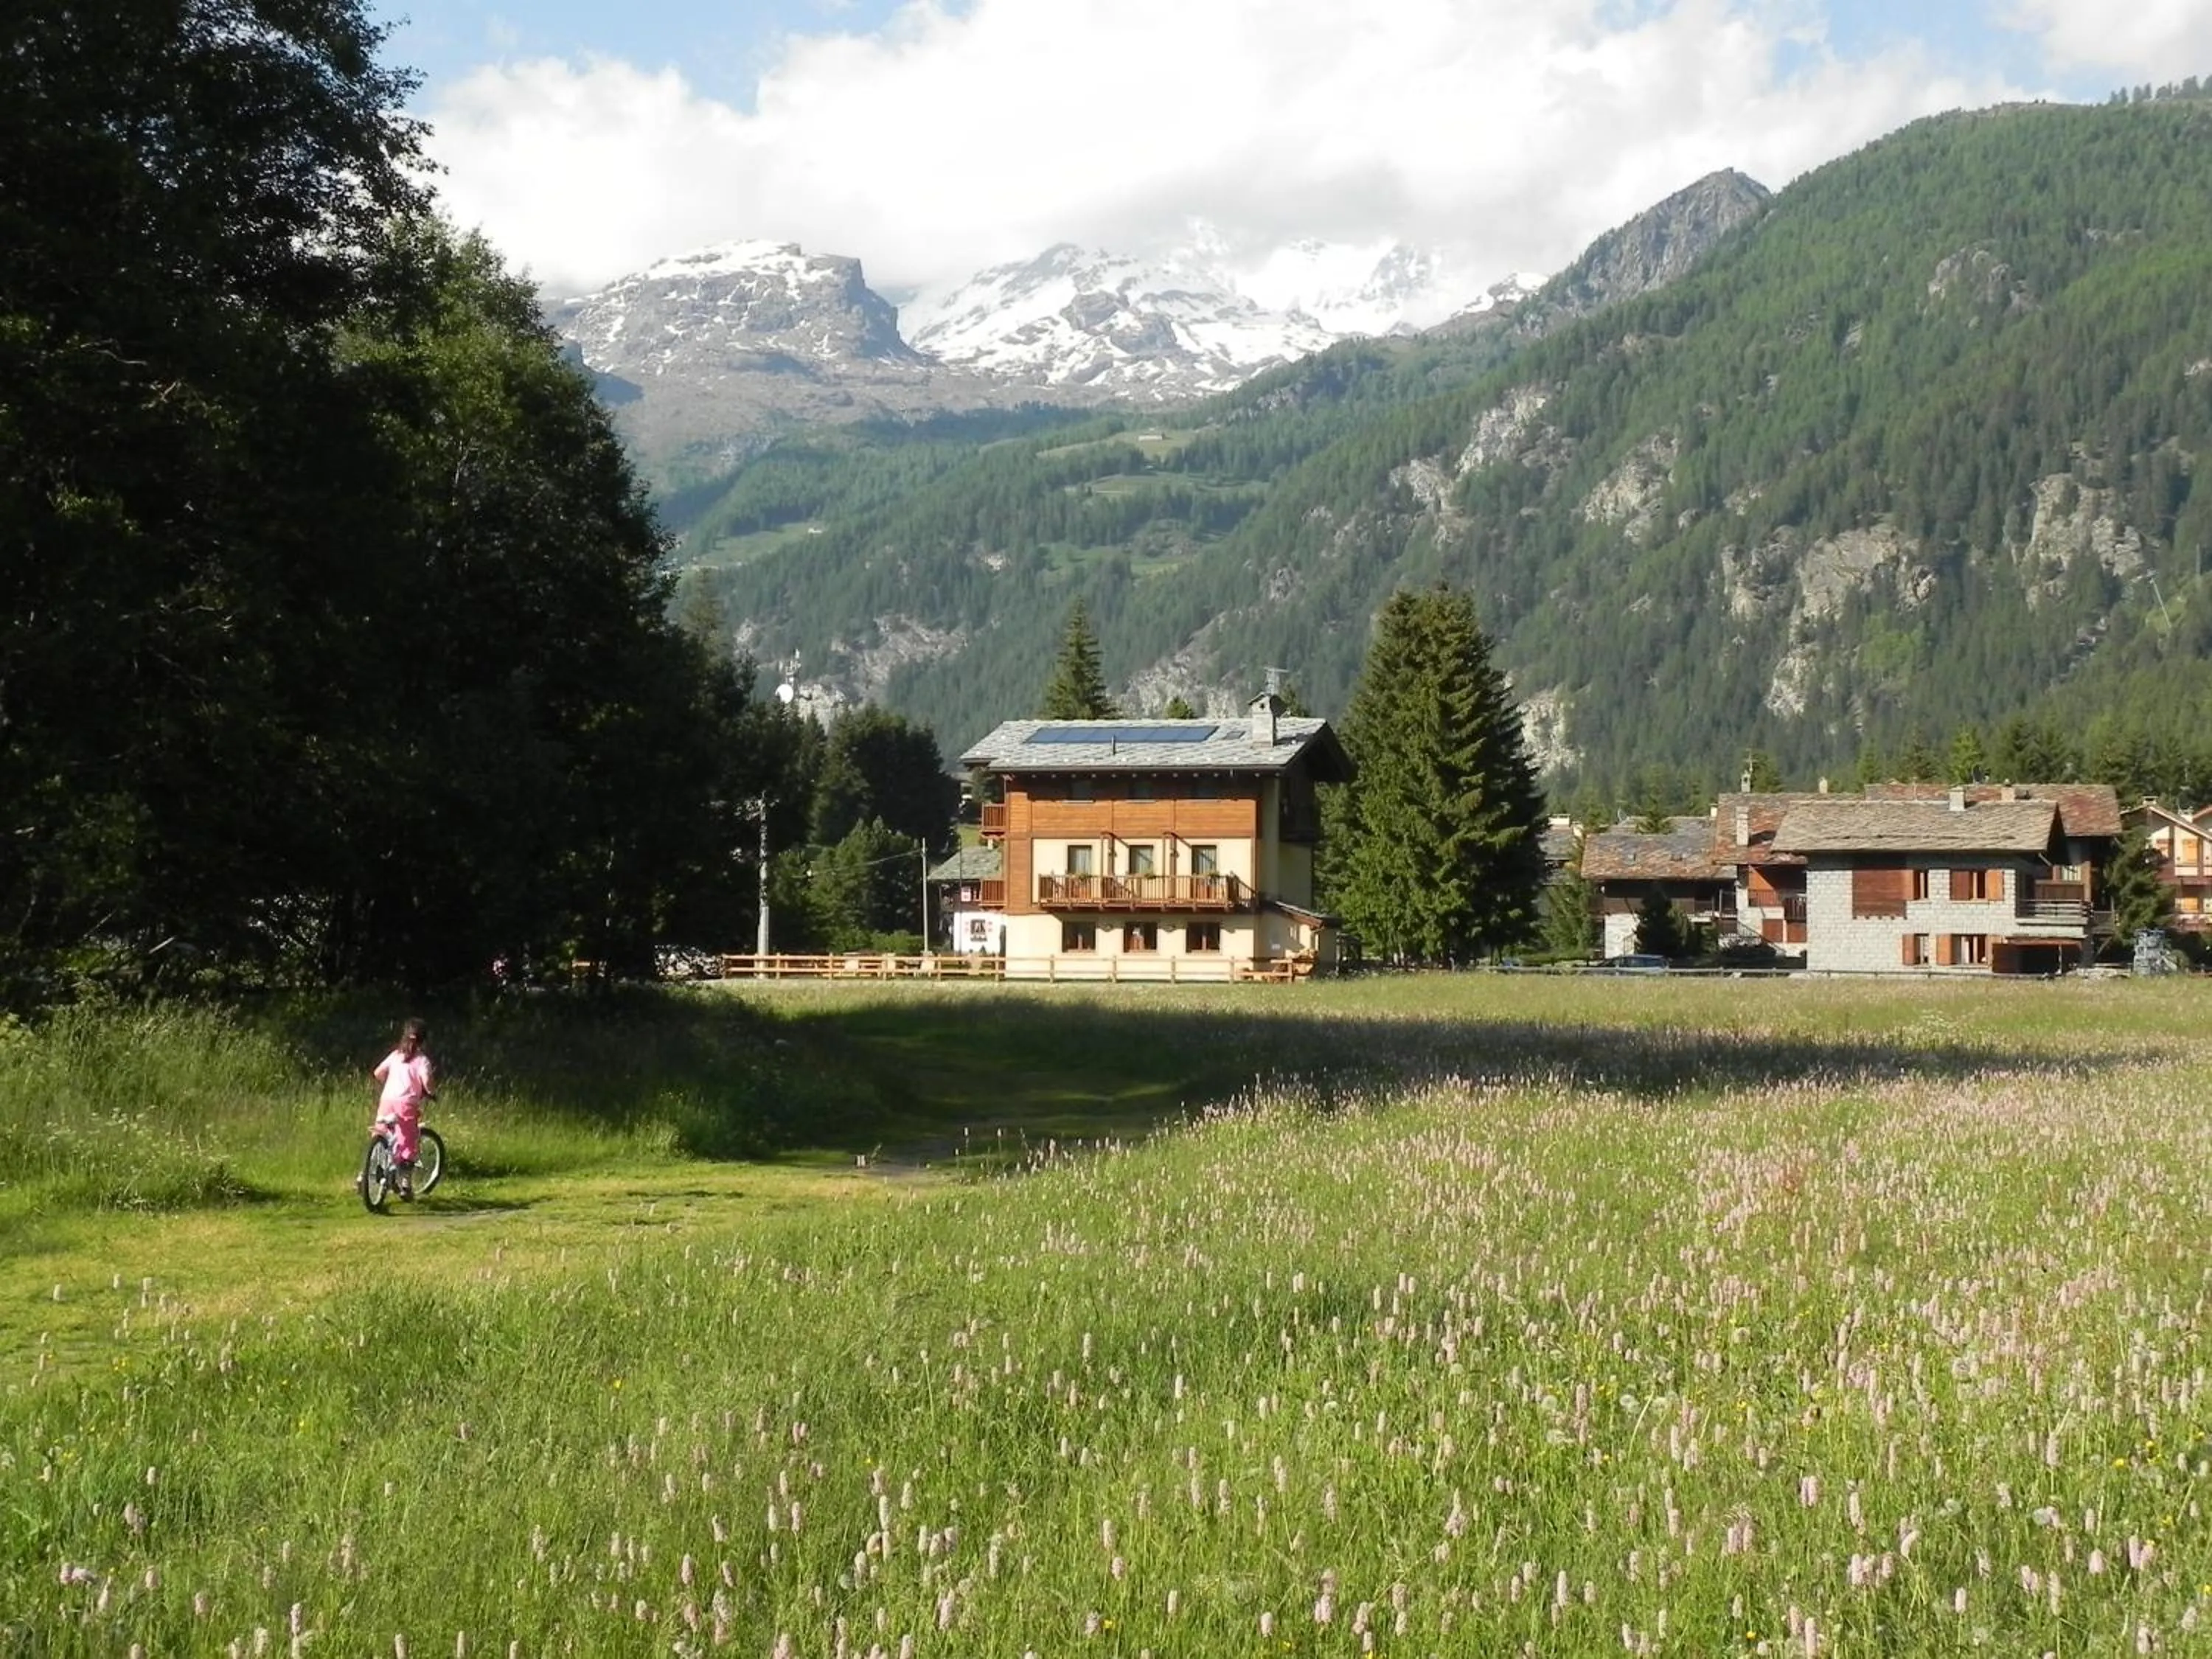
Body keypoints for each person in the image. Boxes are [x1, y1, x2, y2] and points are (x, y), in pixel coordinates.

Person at [372, 1018, 435, 1200]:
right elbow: (427, 1082)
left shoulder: (395, 1055)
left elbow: (378, 1073)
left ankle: (365, 1174)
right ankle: (406, 1183)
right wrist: (430, 1093)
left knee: (381, 1134)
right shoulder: (422, 1061)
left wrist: (389, 1084)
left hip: (387, 1100)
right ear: (423, 1040)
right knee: (408, 1142)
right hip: (406, 1104)